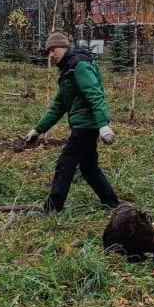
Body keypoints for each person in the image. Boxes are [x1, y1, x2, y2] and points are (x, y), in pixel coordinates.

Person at [24, 32, 120, 213]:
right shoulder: (68, 70)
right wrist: (37, 129)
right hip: (83, 124)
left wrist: (103, 125)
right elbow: (58, 105)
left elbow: (95, 95)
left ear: (65, 47)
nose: (51, 54)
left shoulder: (80, 65)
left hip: (86, 124)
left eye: (54, 49)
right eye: (49, 51)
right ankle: (111, 203)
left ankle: (52, 208)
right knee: (88, 167)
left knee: (65, 162)